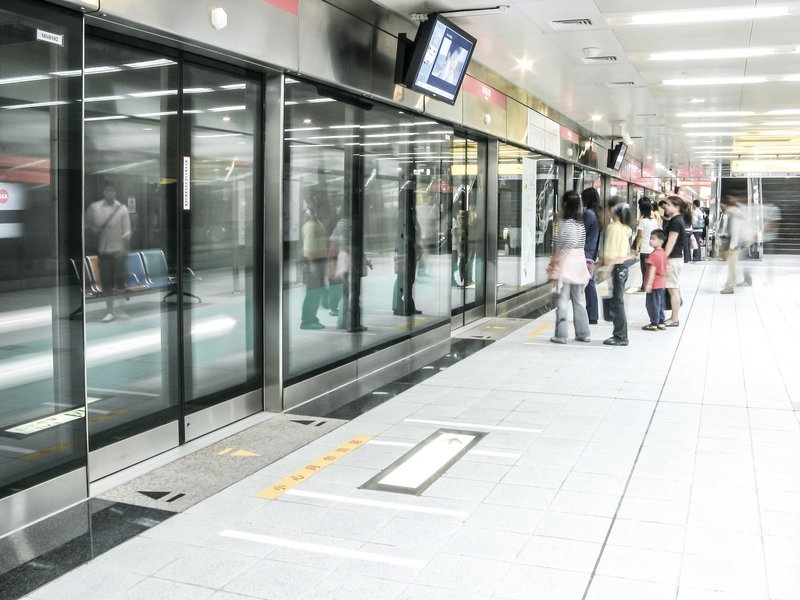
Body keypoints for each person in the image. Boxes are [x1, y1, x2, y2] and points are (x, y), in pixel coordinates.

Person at [547, 191, 591, 344]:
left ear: (565, 204)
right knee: (578, 300)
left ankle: (561, 334)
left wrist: (555, 262)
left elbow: (564, 246)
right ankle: (583, 333)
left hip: (567, 264)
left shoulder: (566, 224)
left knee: (563, 299)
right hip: (579, 264)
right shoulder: (580, 224)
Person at [85, 182, 131, 323]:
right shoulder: (95, 207)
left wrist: (125, 249)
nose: (110, 192)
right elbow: (85, 223)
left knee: (120, 282)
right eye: (107, 190)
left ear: (116, 192)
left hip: (119, 251)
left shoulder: (122, 209)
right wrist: (93, 229)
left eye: (112, 190)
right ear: (103, 192)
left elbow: (127, 231)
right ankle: (110, 310)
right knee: (107, 283)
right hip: (104, 251)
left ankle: (120, 309)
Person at [601, 202, 634, 346]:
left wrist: (606, 269)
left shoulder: (613, 228)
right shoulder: (626, 228)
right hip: (623, 267)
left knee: (617, 302)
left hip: (617, 267)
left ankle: (620, 336)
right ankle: (620, 334)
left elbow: (611, 251)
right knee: (618, 301)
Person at [300, 197, 329, 330]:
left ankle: (312, 318)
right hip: (313, 264)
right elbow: (308, 249)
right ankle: (307, 320)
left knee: (315, 293)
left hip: (319, 263)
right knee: (312, 293)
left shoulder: (317, 224)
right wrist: (313, 267)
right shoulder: (310, 225)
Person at [661, 195, 687, 326]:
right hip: (675, 258)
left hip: (673, 259)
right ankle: (674, 317)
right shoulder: (676, 219)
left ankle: (674, 318)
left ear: (677, 207)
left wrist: (663, 259)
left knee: (673, 289)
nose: (665, 206)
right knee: (674, 288)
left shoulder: (676, 222)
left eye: (668, 204)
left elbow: (670, 243)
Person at [720, 194, 752, 294]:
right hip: (740, 242)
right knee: (732, 266)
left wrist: (732, 246)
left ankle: (730, 287)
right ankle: (730, 283)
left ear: (724, 205)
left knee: (732, 266)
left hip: (736, 244)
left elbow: (735, 231)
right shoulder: (736, 212)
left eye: (721, 205)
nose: (721, 208)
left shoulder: (733, 214)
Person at [581, 187, 601, 324]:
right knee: (589, 283)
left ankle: (592, 315)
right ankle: (591, 314)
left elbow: (582, 232)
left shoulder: (589, 214)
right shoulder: (596, 213)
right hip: (591, 252)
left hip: (585, 252)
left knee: (589, 284)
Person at [641, 229, 667, 331]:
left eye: (653, 239)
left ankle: (654, 323)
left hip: (654, 284)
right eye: (650, 238)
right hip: (662, 283)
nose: (650, 241)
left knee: (652, 304)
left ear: (661, 241)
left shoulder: (654, 255)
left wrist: (648, 284)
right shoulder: (663, 253)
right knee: (660, 303)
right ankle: (661, 321)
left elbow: (652, 270)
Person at [634, 198, 658, 292]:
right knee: (651, 269)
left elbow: (640, 236)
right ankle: (651, 285)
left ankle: (645, 286)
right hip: (653, 249)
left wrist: (636, 247)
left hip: (644, 249)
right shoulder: (654, 221)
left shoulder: (643, 221)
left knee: (644, 270)